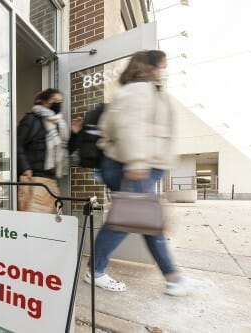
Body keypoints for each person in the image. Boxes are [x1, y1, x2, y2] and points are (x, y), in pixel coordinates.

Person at [85, 50, 193, 296]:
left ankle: (172, 277)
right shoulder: (137, 90)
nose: (163, 70)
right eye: (161, 66)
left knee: (144, 221)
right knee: (127, 221)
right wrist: (136, 163)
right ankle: (97, 270)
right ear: (149, 67)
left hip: (140, 164)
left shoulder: (145, 89)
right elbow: (130, 127)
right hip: (129, 164)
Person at [17, 88, 81, 212]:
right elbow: (17, 144)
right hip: (34, 178)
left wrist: (74, 133)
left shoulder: (59, 124)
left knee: (48, 220)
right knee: (32, 219)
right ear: (44, 102)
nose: (58, 104)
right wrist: (25, 168)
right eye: (54, 100)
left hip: (51, 180)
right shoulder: (31, 119)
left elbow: (66, 153)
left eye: (60, 101)